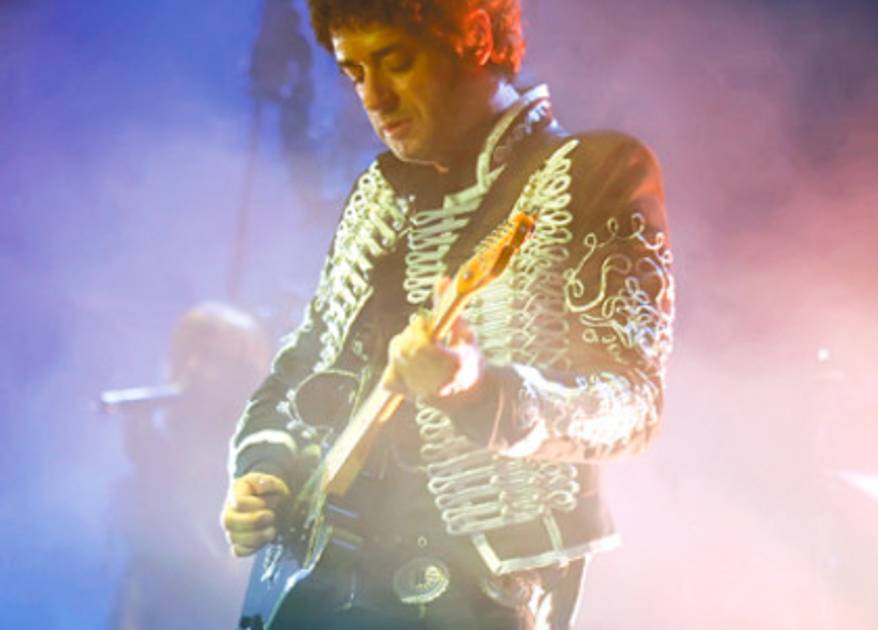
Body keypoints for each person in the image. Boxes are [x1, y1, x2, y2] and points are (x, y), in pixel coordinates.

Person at [220, 1, 674, 628]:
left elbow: (633, 404)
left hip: (482, 592)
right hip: (322, 577)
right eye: (355, 72)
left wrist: (479, 392)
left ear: (476, 37)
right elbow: (308, 356)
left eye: (396, 61)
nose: (374, 96)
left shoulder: (594, 172)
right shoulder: (378, 190)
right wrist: (261, 472)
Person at [111, 302, 271, 630]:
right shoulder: (172, 438)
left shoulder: (255, 445)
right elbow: (147, 528)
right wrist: (148, 458)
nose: (194, 368)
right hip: (162, 598)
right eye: (187, 356)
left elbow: (227, 570)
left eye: (210, 358)